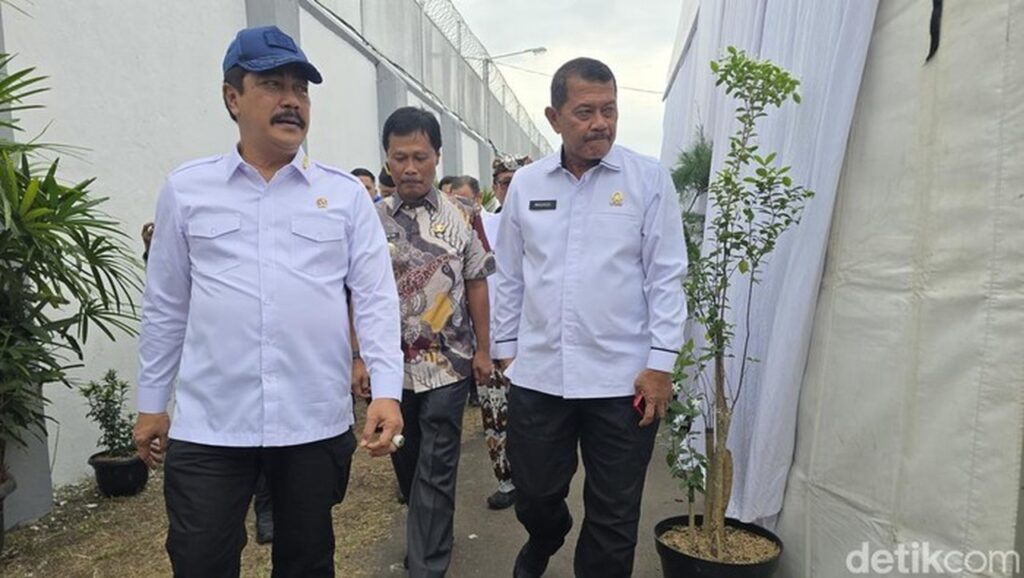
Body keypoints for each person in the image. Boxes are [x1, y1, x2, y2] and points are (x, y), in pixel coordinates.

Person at [134, 25, 404, 577]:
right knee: (199, 560)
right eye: (273, 85)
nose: (292, 100)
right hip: (212, 423)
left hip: (311, 421)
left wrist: (386, 391)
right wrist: (152, 401)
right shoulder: (188, 189)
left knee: (307, 562)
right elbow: (166, 304)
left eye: (301, 89)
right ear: (232, 98)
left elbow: (375, 298)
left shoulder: (343, 196)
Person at [492, 57, 687, 578]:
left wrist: (661, 364)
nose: (600, 123)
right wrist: (506, 352)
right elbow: (509, 274)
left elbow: (666, 276)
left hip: (624, 380)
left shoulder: (647, 180)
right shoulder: (527, 184)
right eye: (585, 112)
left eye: (609, 110)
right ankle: (546, 535)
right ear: (554, 118)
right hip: (539, 375)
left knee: (614, 515)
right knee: (534, 492)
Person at [373, 106, 494, 577]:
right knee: (408, 461)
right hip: (392, 369)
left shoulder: (464, 215)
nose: (409, 168)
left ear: (437, 156)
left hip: (449, 362)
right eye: (399, 157)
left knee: (437, 467)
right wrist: (360, 357)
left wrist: (483, 349)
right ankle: (427, 534)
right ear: (387, 158)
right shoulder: (371, 218)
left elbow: (477, 281)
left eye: (419, 157)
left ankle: (427, 564)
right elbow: (354, 290)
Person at [471, 155, 531, 512]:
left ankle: (535, 480)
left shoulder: (543, 223)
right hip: (492, 341)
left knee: (532, 419)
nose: (513, 188)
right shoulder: (482, 225)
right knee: (496, 417)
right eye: (506, 182)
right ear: (495, 187)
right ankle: (507, 481)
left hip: (534, 343)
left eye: (520, 180)